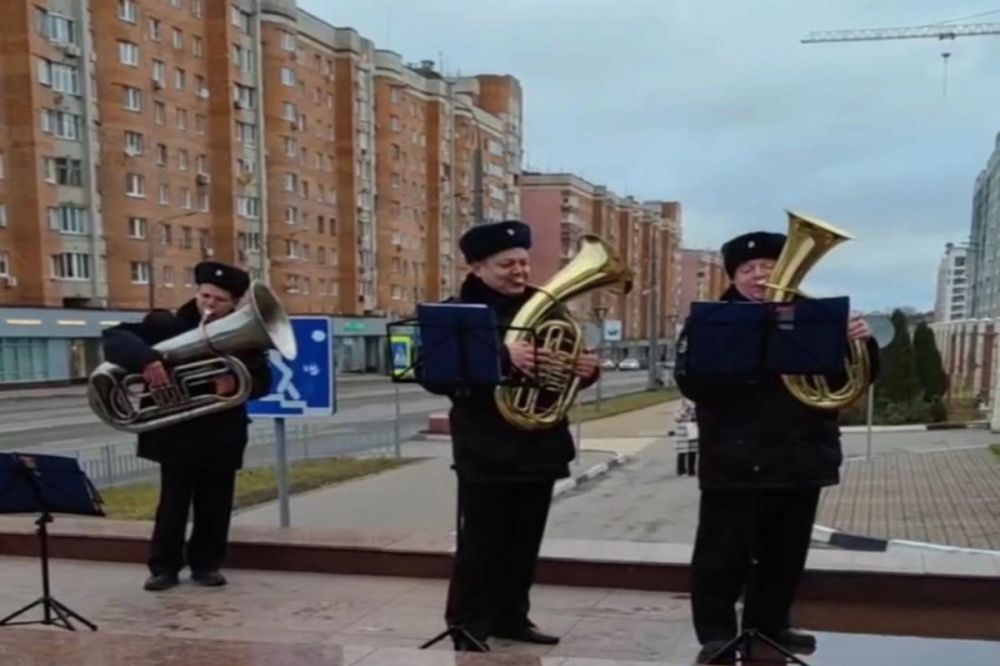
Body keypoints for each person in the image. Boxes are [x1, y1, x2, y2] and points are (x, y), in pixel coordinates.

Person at [672, 231, 879, 664]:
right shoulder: (711, 320)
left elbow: (851, 381)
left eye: (769, 266)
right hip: (735, 455)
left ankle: (772, 623)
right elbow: (692, 382)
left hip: (799, 452)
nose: (759, 275)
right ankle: (715, 631)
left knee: (786, 549)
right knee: (721, 551)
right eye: (748, 269)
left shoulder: (817, 316)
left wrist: (859, 341)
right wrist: (753, 359)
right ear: (734, 276)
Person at [419, 220, 600, 652]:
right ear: (477, 266)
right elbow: (433, 374)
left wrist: (586, 371)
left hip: (539, 442)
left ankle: (512, 617)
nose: (520, 271)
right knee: (481, 544)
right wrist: (501, 356)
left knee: (523, 543)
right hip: (486, 445)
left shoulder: (547, 306)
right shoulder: (458, 312)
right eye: (507, 265)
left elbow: (566, 366)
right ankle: (468, 624)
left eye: (523, 261)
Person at [101, 261, 271, 592]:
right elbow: (114, 339)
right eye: (205, 295)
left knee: (216, 504)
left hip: (222, 434)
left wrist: (238, 380)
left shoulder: (246, 340)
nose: (208, 303)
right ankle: (163, 568)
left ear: (234, 304)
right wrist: (146, 359)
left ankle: (207, 565)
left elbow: (264, 381)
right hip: (175, 436)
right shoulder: (167, 324)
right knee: (173, 505)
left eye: (218, 300)